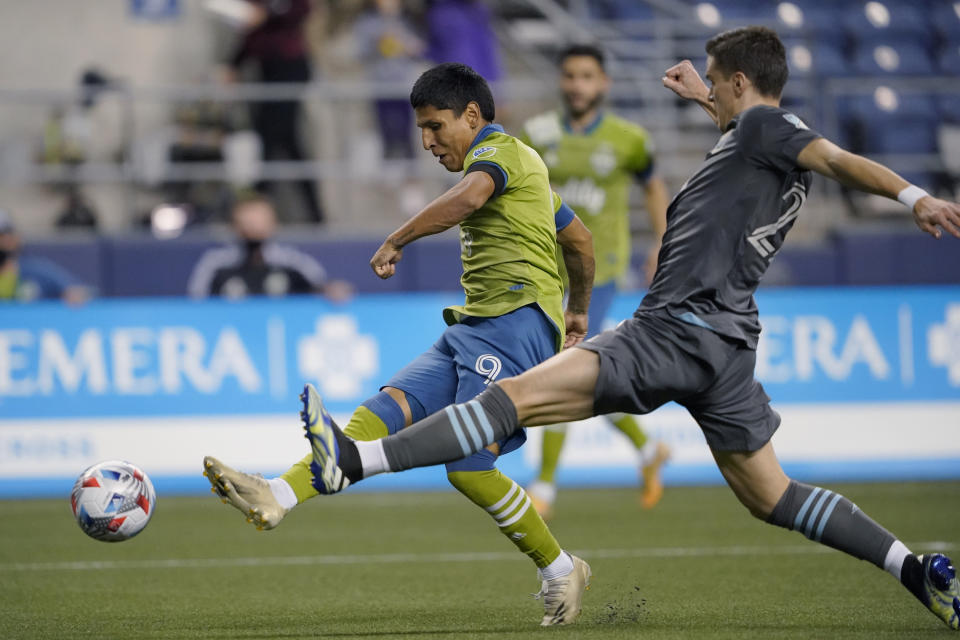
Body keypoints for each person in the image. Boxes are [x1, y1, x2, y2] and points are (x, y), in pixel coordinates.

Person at [299, 27, 960, 630]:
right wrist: (706, 96)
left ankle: (355, 459)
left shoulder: (766, 127)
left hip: (670, 328)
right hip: (728, 344)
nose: (710, 95)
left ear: (739, 84)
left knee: (505, 401)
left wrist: (914, 197)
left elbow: (835, 156)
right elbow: (758, 130)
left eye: (714, 80)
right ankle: (915, 569)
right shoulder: (755, 140)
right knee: (774, 495)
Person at [203, 63, 597, 626]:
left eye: (436, 127)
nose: (428, 142)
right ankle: (278, 495)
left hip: (514, 325)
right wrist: (578, 307)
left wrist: (397, 237)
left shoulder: (501, 154)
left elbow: (468, 199)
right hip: (473, 326)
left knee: (468, 468)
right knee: (379, 412)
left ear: (471, 115)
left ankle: (560, 568)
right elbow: (578, 239)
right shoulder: (524, 169)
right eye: (421, 130)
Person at [519, 44, 671, 518]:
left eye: (587, 76)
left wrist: (662, 241)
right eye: (570, 76)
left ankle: (543, 487)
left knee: (560, 367)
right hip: (546, 272)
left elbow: (652, 184)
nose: (577, 85)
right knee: (582, 375)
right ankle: (648, 449)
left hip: (598, 271)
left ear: (603, 83)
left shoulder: (629, 139)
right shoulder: (535, 134)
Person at [224, 0, 324, 223]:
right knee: (290, 144)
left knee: (269, 138)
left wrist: (267, 13)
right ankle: (316, 215)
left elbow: (302, 10)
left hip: (290, 69)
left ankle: (255, 212)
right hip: (267, 71)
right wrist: (233, 64)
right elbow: (251, 35)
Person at [187, 193, 351, 300]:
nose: (253, 229)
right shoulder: (216, 264)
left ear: (273, 224)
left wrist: (333, 291)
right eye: (247, 223)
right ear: (235, 226)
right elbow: (196, 303)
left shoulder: (293, 263)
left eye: (259, 222)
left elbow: (322, 288)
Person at [353, 0, 425, 159]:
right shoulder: (366, 22)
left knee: (407, 133)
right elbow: (360, 53)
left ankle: (410, 173)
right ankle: (388, 172)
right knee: (384, 132)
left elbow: (421, 50)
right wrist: (376, 42)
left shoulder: (409, 21)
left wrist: (410, 45)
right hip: (380, 87)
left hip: (403, 88)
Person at [0, 209, 91, 304]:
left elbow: (76, 291)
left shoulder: (36, 269)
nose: (4, 241)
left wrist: (73, 296)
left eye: (5, 234)